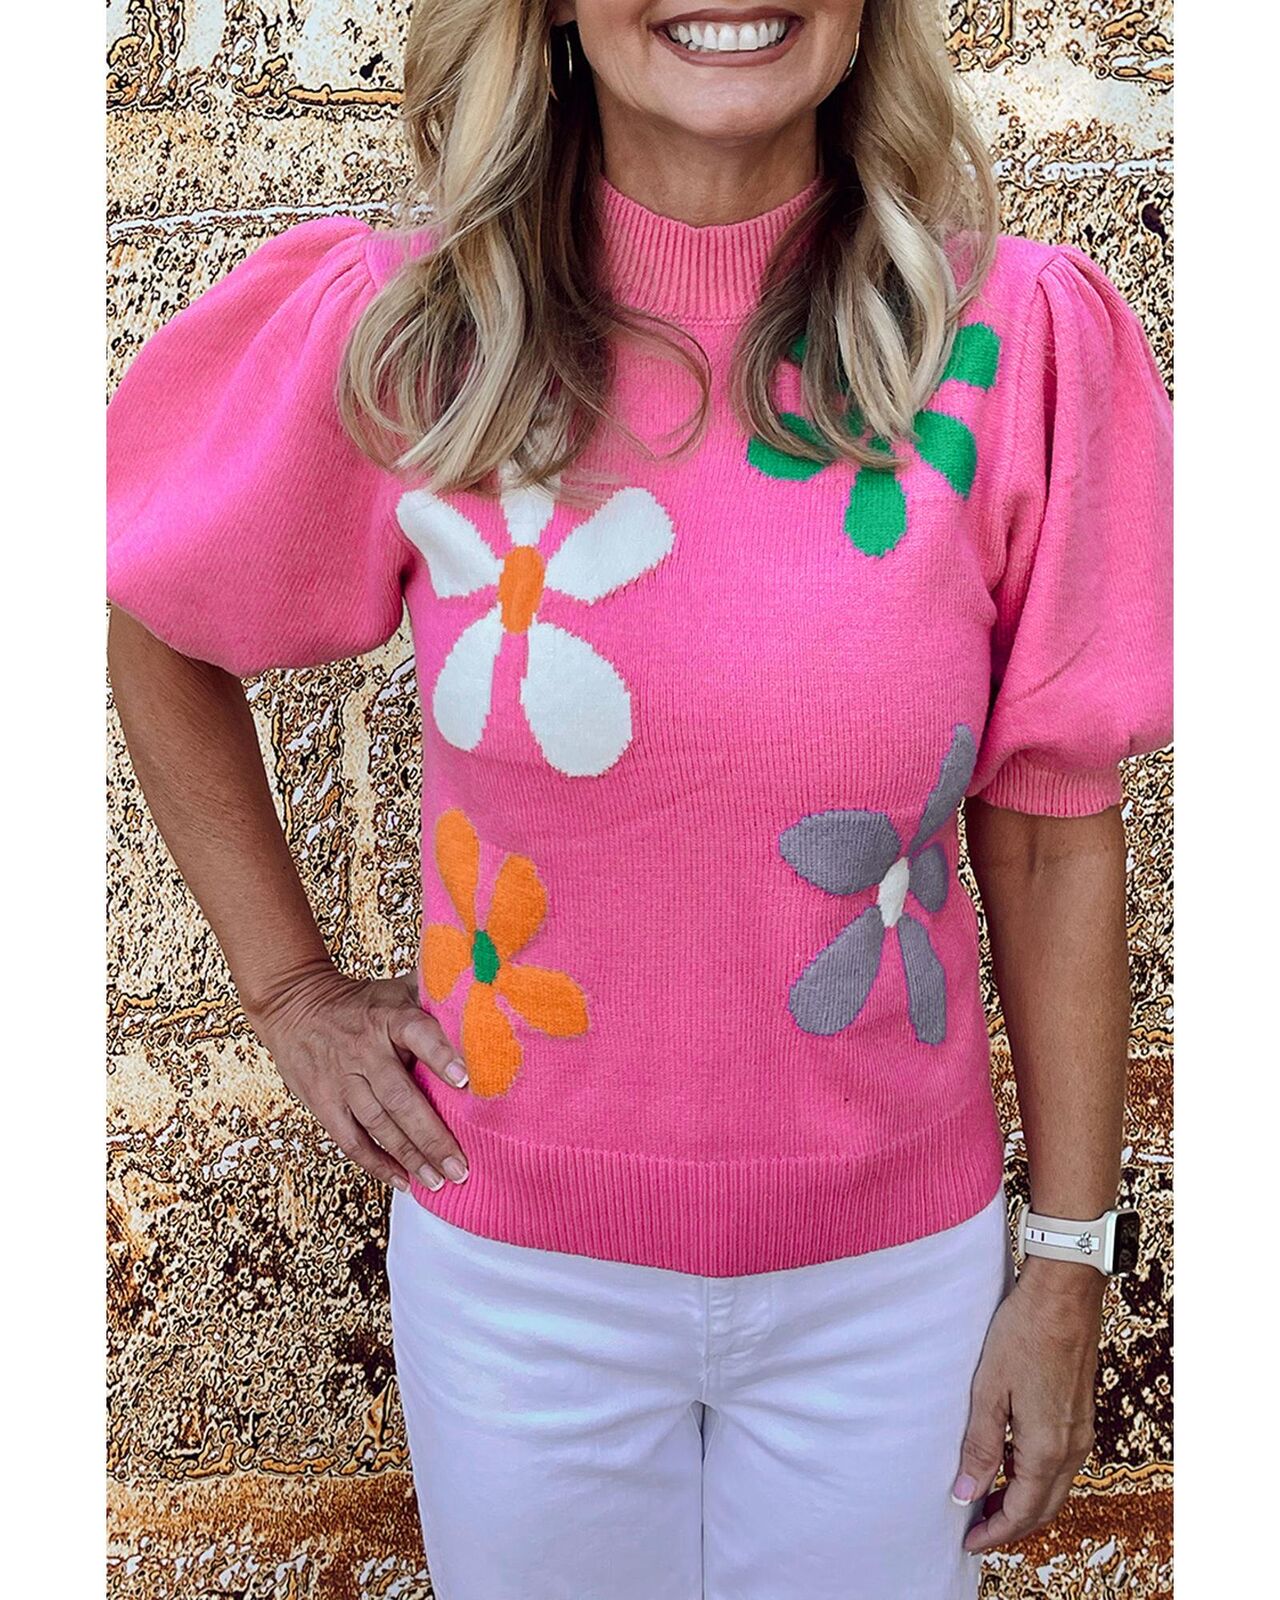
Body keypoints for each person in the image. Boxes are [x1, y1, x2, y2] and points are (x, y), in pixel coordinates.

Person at [105, 3, 1173, 1597]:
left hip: (895, 1293)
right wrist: (290, 991)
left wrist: (1070, 1261)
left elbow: (1049, 831)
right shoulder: (428, 342)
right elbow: (156, 616)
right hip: (515, 1285)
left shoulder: (1006, 347)